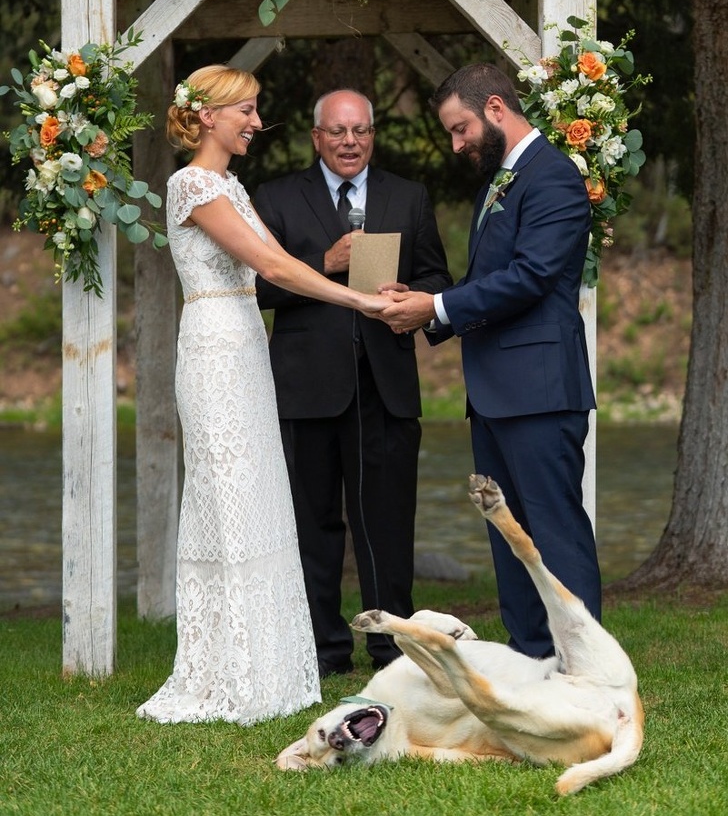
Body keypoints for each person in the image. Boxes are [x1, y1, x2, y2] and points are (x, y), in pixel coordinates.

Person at [136, 67, 389, 725]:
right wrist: (361, 297)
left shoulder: (232, 185)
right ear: (211, 116)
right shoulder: (191, 184)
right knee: (228, 497)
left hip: (250, 346)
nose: (255, 121)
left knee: (260, 494)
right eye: (246, 110)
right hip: (215, 347)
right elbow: (275, 268)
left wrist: (352, 273)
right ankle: (227, 668)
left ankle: (267, 662)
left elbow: (285, 261)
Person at [380, 64, 601, 659]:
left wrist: (438, 304)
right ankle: (532, 658)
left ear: (497, 108)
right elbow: (487, 281)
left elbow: (530, 278)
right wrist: (426, 307)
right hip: (497, 392)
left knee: (554, 532)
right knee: (510, 536)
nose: (456, 145)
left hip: (540, 390)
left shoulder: (552, 177)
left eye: (461, 129)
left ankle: (584, 669)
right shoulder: (499, 182)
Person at [254, 89, 452, 676]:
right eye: (338, 132)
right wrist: (324, 265)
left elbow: (437, 275)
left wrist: (410, 295)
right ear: (316, 137)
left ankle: (394, 649)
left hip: (385, 387)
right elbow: (258, 290)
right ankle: (322, 649)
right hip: (306, 389)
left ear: (372, 135)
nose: (350, 142)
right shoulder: (277, 198)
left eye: (361, 131)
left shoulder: (409, 197)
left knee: (386, 523)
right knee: (313, 526)